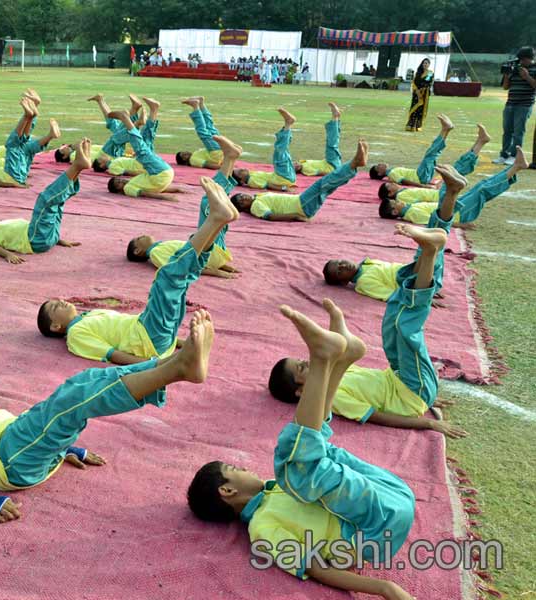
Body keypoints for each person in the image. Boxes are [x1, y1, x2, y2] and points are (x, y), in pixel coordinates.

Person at [188, 299, 417, 600]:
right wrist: (386, 589)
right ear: (227, 491)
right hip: (373, 529)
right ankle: (324, 360)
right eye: (237, 470)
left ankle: (341, 359)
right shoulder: (262, 528)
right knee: (295, 464)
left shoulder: (277, 490)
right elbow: (317, 568)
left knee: (314, 451)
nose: (246, 468)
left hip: (391, 493)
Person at [0, 308, 215, 522]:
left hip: (20, 440)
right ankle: (175, 368)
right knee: (74, 397)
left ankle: (171, 364)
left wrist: (64, 448)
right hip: (7, 456)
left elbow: (14, 431)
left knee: (84, 383)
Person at [270, 197, 468, 438]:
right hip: (412, 390)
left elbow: (348, 363)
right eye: (302, 367)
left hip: (400, 377)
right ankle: (429, 251)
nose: (307, 361)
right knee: (405, 327)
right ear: (300, 392)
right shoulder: (331, 398)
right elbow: (374, 414)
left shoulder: (333, 372)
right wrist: (428, 423)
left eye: (302, 360)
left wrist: (430, 398)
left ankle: (430, 248)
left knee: (392, 321)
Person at [37, 177, 237, 363]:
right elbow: (113, 355)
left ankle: (218, 221)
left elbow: (127, 325)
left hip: (150, 332)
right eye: (56, 307)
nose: (62, 301)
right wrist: (157, 367)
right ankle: (215, 219)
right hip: (147, 339)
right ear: (56, 326)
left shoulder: (87, 316)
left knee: (182, 278)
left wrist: (183, 343)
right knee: (167, 277)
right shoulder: (76, 335)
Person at [0, 139, 92, 264]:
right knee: (45, 200)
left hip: (46, 235)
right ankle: (77, 165)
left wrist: (58, 240)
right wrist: (7, 254)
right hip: (34, 239)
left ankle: (78, 168)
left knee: (57, 203)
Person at [128, 136, 241, 278]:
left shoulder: (159, 247)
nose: (142, 235)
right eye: (138, 239)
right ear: (138, 251)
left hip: (208, 251)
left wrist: (221, 265)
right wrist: (216, 272)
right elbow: (180, 266)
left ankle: (230, 159)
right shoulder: (156, 253)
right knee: (210, 202)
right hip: (206, 251)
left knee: (216, 203)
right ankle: (229, 158)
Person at [379, 148, 527, 227]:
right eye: (395, 203)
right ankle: (516, 167)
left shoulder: (410, 209)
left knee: (481, 186)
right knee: (483, 191)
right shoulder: (412, 215)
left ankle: (516, 167)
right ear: (394, 211)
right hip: (458, 214)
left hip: (452, 205)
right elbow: (437, 222)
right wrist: (461, 225)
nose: (399, 202)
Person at [231, 139, 368, 222]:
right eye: (242, 199)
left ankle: (353, 167)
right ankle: (353, 164)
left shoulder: (256, 198)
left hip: (301, 202)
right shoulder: (256, 207)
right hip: (301, 206)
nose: (245, 196)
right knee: (323, 183)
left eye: (242, 195)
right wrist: (295, 216)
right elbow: (270, 216)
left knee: (329, 185)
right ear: (243, 206)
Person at [0, 93, 59, 187]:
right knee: (12, 144)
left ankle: (47, 132)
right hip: (13, 172)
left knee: (26, 147)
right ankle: (28, 116)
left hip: (17, 170)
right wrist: (15, 184)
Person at [370, 115, 470, 185]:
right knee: (430, 154)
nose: (380, 164)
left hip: (421, 175)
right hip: (420, 176)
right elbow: (404, 181)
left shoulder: (392, 171)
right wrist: (422, 186)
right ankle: (445, 129)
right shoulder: (391, 174)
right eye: (378, 166)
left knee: (433, 154)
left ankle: (446, 129)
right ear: (380, 173)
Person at [104, 110, 181, 200]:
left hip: (161, 173)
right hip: (158, 174)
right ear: (118, 190)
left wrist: (177, 190)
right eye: (118, 183)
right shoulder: (127, 189)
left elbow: (156, 189)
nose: (121, 180)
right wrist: (164, 197)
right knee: (142, 149)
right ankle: (126, 119)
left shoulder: (132, 182)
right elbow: (145, 193)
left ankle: (152, 112)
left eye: (118, 179)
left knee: (145, 143)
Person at [231, 108, 298, 191]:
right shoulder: (252, 181)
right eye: (241, 171)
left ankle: (287, 126)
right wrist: (285, 188)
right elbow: (269, 185)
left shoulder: (250, 175)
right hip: (283, 178)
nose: (244, 169)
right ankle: (288, 124)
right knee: (280, 150)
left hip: (283, 176)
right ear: (241, 180)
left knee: (283, 150)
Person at [495, 47, 536, 165]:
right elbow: (505, 87)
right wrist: (507, 75)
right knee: (507, 131)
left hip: (524, 104)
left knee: (518, 132)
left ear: (531, 59)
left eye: (524, 59)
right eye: (521, 59)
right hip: (510, 103)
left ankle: (514, 156)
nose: (522, 62)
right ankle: (504, 154)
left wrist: (527, 77)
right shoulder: (514, 68)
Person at [175, 97, 225, 170]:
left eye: (183, 152)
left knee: (209, 126)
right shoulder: (192, 161)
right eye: (183, 155)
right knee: (202, 131)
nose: (186, 153)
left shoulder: (195, 154)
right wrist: (225, 167)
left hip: (218, 151)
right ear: (184, 161)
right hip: (216, 152)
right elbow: (209, 165)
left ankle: (201, 103)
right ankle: (195, 106)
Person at [294, 103, 343, 176]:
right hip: (331, 165)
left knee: (334, 140)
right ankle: (335, 117)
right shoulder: (305, 170)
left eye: (293, 164)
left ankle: (336, 118)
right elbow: (319, 172)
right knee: (332, 143)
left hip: (328, 161)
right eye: (294, 168)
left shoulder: (302, 162)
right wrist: (336, 173)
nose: (295, 165)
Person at [406, 58, 434, 132]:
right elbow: (414, 83)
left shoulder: (430, 73)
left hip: (424, 94)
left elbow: (428, 82)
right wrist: (417, 91)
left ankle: (418, 125)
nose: (425, 64)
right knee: (414, 107)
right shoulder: (418, 73)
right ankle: (410, 124)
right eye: (424, 63)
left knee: (420, 109)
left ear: (429, 65)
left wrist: (422, 89)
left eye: (427, 63)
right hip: (416, 93)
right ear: (422, 64)